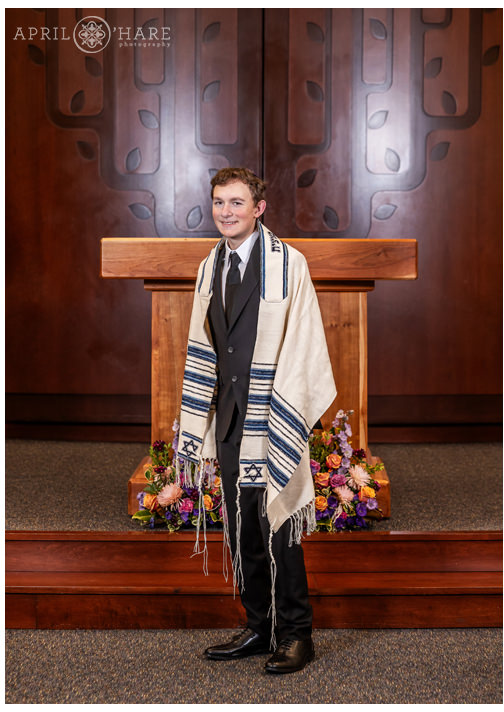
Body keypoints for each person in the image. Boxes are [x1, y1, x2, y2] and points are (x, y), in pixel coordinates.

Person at [174, 167, 336, 674]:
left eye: (237, 202)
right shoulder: (209, 267)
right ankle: (257, 624)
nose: (227, 211)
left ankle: (296, 633)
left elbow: (304, 341)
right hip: (227, 417)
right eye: (220, 202)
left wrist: (281, 411)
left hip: (271, 412)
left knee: (280, 522)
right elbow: (208, 344)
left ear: (259, 208)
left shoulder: (290, 265)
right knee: (242, 526)